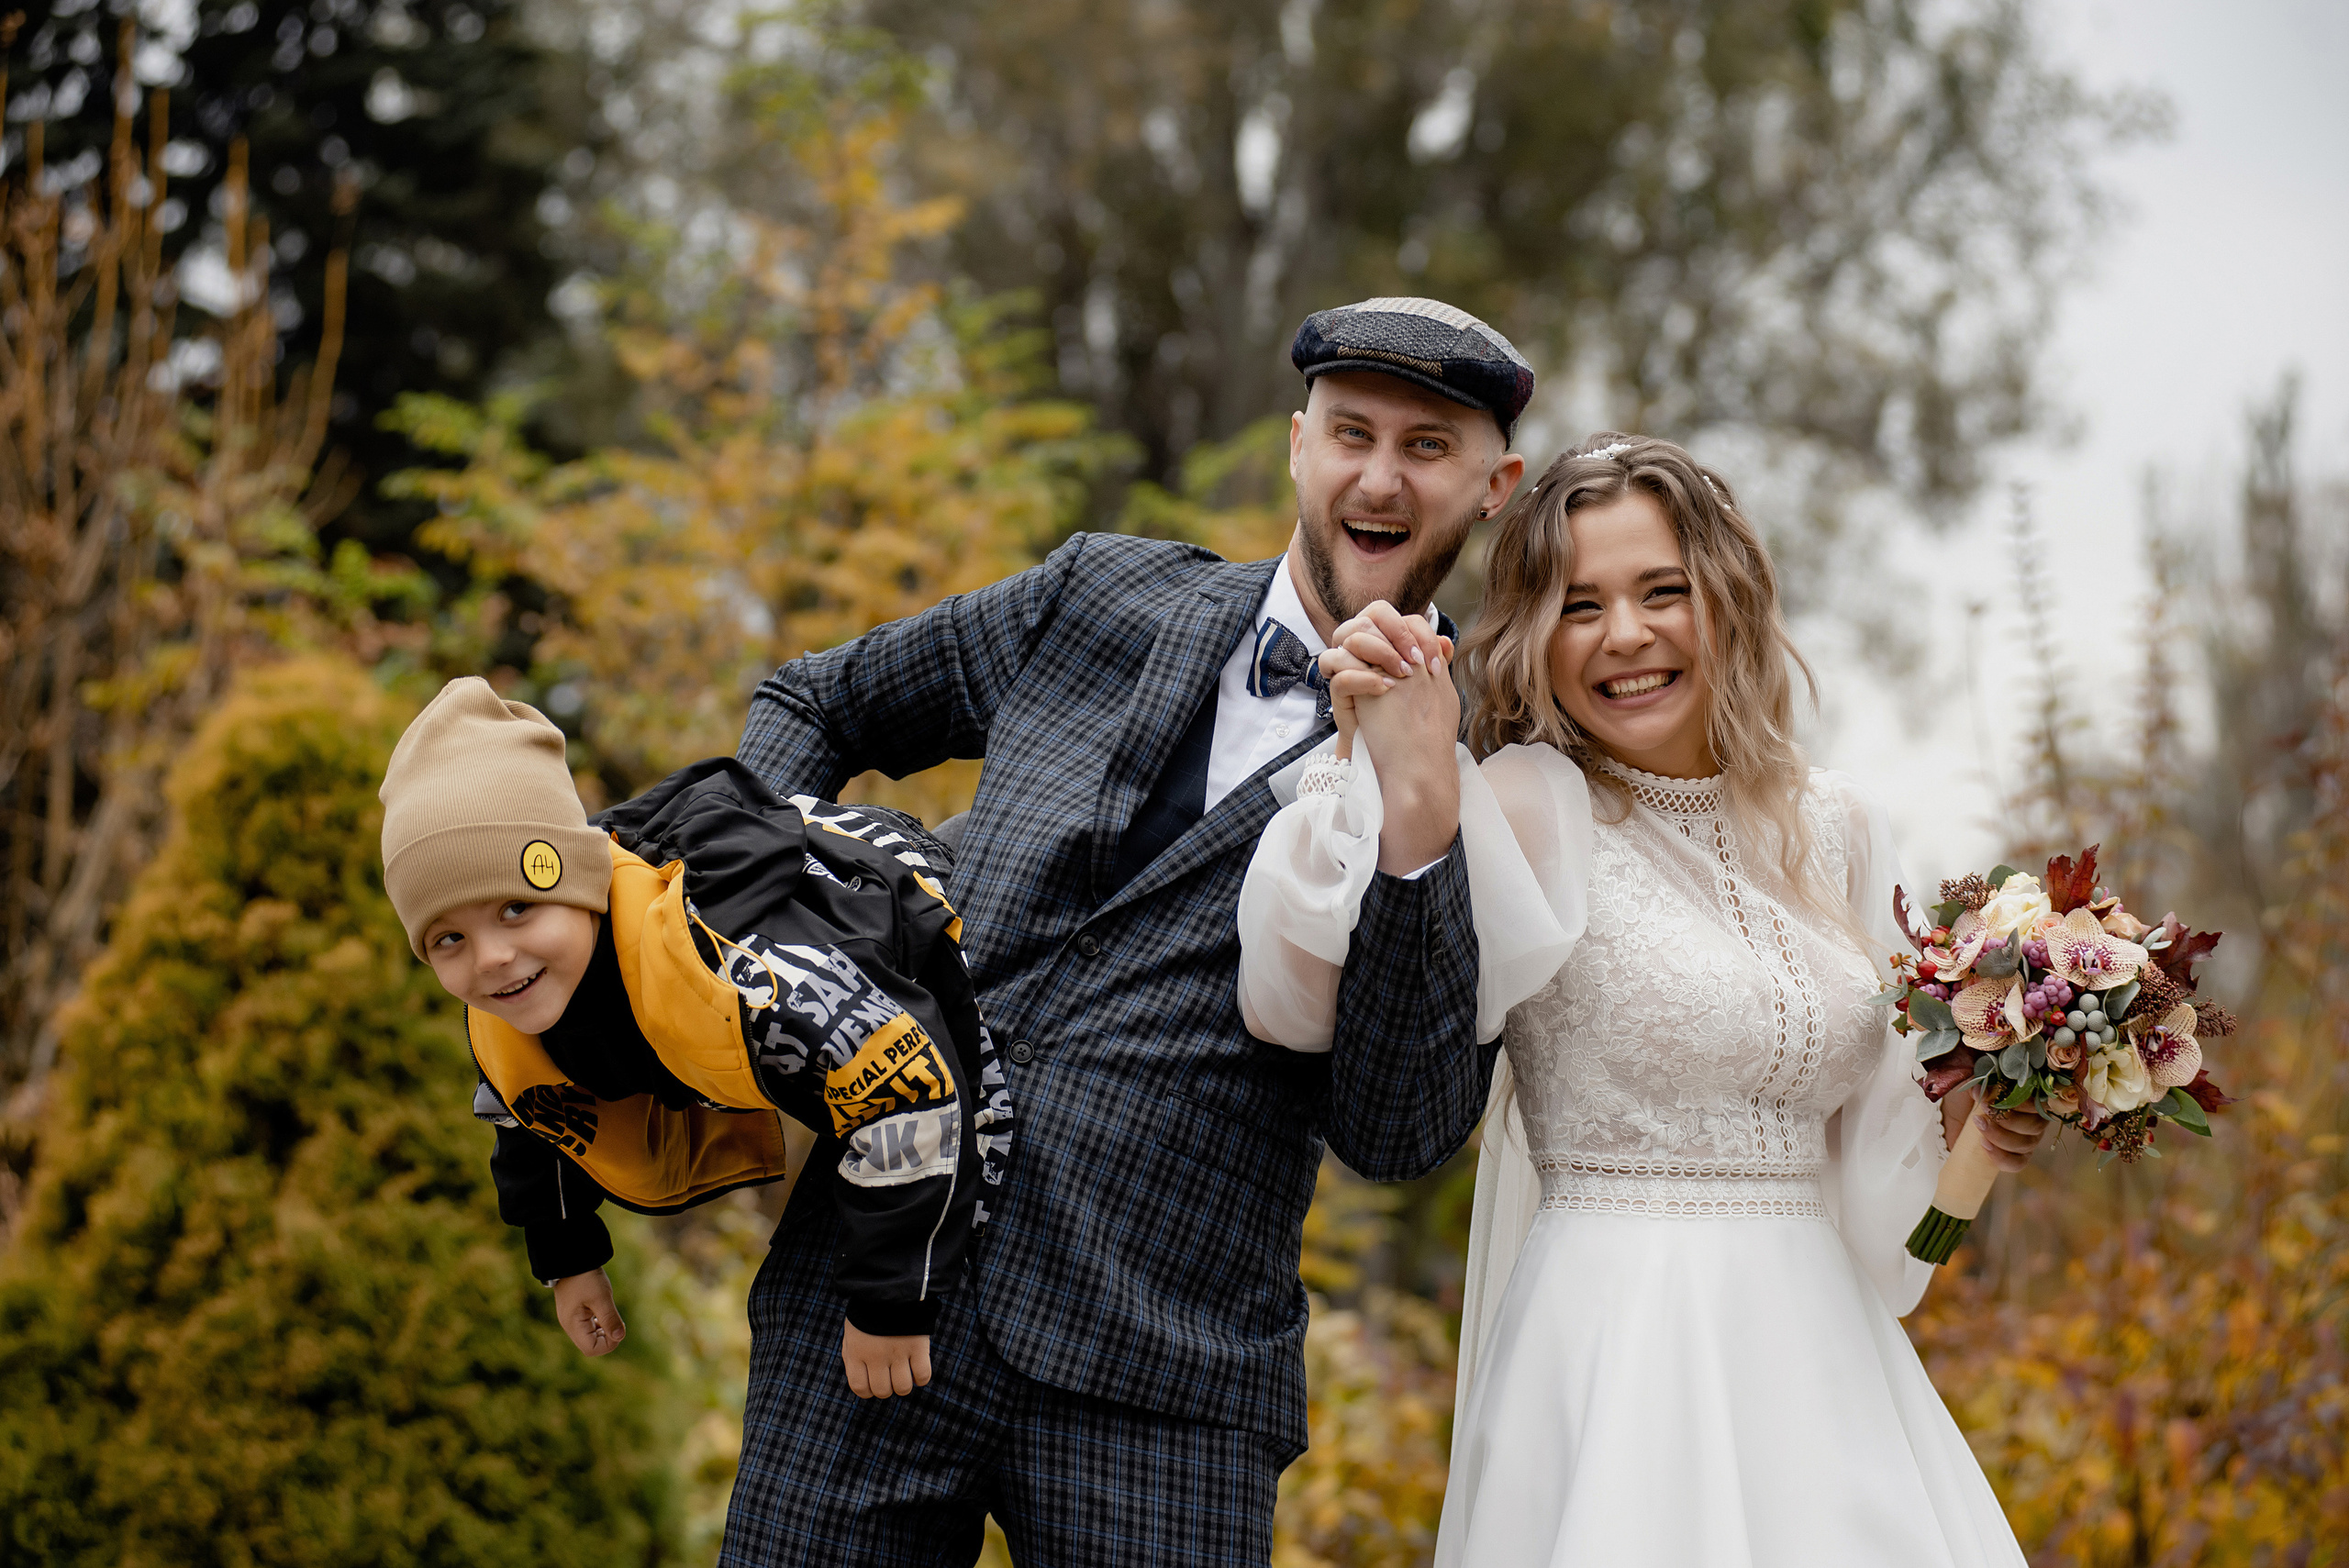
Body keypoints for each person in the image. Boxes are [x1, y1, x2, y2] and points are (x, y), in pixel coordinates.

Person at [722, 296, 1528, 1565]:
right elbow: (815, 701)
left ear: (1494, 486)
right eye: (1352, 433)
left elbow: (1398, 1133)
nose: (1379, 477)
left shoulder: (1497, 761)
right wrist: (784, 931)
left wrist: (1418, 823)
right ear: (1298, 446)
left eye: (1427, 447)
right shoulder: (1098, 593)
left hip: (1168, 1386)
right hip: (870, 1290)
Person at [1238, 434, 2050, 1565]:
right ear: (1537, 634)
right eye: (1581, 605)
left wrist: (1975, 1125)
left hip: (1829, 1364)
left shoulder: (1839, 825)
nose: (1624, 633)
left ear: (1727, 599)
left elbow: (1887, 1221)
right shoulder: (1526, 804)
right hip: (1617, 1349)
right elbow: (1299, 998)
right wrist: (1360, 761)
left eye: (1662, 591)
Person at [379, 677, 1008, 1400]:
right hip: (806, 1010)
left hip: (893, 900)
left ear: (577, 882)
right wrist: (569, 1257)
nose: (490, 957)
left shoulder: (735, 969)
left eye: (516, 909)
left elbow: (909, 1090)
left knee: (994, 1156)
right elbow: (533, 1120)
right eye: (449, 938)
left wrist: (892, 1303)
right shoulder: (511, 1001)